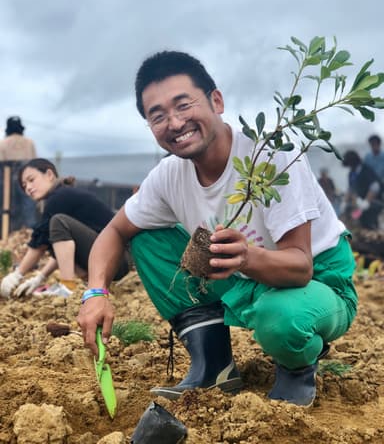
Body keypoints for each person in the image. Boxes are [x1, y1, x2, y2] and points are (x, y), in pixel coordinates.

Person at [77, 51, 357, 408]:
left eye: (183, 105)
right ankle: (213, 364)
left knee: (281, 317)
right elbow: (114, 232)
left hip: (315, 279)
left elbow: (300, 266)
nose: (175, 123)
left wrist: (247, 257)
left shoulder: (270, 157)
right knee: (146, 238)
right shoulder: (168, 176)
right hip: (242, 274)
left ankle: (296, 365)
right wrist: (95, 292)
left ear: (217, 101)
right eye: (157, 116)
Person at [0, 158, 132, 298]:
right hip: (113, 261)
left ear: (49, 175)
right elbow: (63, 251)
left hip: (118, 259)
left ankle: (68, 288)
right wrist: (40, 277)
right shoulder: (60, 197)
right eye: (24, 185)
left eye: (31, 180)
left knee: (58, 223)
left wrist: (17, 274)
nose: (28, 188)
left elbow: (39, 246)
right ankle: (80, 285)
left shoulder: (60, 197)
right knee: (54, 231)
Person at [0, 116, 37, 230]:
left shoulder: (2, 143)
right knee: (28, 209)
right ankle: (30, 235)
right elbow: (35, 162)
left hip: (5, 184)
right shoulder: (30, 143)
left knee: (6, 209)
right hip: (27, 181)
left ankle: (6, 235)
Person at [342, 150, 383, 230]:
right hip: (359, 205)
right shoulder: (351, 174)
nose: (350, 167)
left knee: (371, 224)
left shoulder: (366, 170)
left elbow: (375, 186)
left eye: (350, 165)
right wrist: (344, 202)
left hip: (373, 203)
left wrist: (366, 201)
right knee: (354, 217)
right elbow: (351, 189)